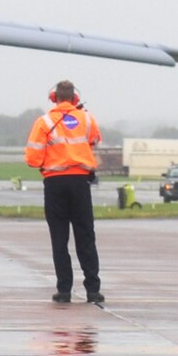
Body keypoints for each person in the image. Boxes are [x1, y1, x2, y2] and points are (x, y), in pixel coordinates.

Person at [25, 80, 103, 304]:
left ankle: (64, 290)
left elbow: (32, 158)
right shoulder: (87, 118)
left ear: (53, 97)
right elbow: (95, 140)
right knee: (86, 235)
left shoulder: (44, 122)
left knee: (59, 238)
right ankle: (93, 290)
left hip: (55, 183)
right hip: (80, 182)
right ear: (75, 99)